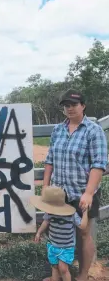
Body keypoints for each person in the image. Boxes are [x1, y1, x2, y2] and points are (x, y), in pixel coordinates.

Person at [42, 88, 108, 281]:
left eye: (74, 105)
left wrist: (88, 193)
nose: (69, 109)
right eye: (66, 106)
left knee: (84, 233)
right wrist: (46, 186)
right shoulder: (57, 130)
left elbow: (98, 164)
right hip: (58, 194)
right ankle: (60, 273)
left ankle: (82, 275)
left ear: (83, 106)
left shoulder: (93, 131)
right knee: (55, 231)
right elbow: (49, 159)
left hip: (81, 192)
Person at [31, 186, 89, 281]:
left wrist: (85, 212)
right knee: (54, 267)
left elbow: (82, 226)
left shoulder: (71, 214)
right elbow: (45, 222)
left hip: (66, 247)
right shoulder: (49, 213)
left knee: (63, 268)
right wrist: (38, 232)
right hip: (52, 245)